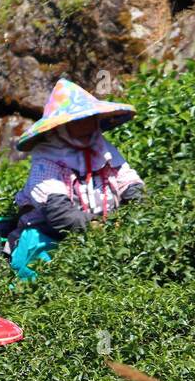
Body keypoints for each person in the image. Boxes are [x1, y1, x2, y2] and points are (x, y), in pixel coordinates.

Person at [8, 78, 147, 280]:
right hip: (53, 239)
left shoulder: (102, 149)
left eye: (89, 119)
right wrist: (98, 227)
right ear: (62, 127)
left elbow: (128, 181)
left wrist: (139, 216)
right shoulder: (46, 159)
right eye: (77, 121)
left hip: (100, 238)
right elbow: (58, 211)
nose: (86, 127)